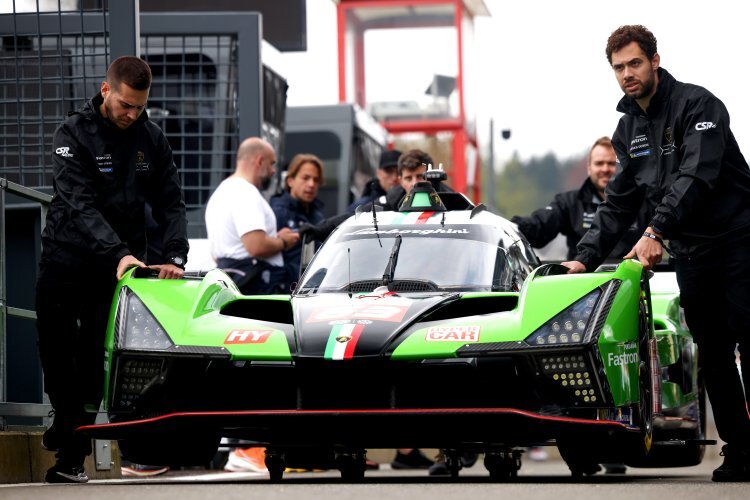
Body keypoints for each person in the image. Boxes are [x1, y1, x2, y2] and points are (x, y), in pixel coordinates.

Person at [562, 25, 750, 482]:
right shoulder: (627, 130)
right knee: (714, 352)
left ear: (655, 61)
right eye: (619, 67)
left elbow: (697, 176)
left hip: (739, 239)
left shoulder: (699, 105)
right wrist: (582, 258)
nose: (628, 73)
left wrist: (656, 230)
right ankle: (742, 452)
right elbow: (619, 202)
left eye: (635, 63)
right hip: (693, 254)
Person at [36, 56, 189, 483]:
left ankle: (70, 453)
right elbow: (77, 203)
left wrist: (175, 257)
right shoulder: (72, 132)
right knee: (55, 350)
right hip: (67, 258)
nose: (131, 114)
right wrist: (117, 251)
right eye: (125, 105)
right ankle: (65, 425)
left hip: (119, 268)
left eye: (140, 107)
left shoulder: (151, 138)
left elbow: (171, 203)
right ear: (107, 91)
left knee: (92, 359)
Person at [512, 136, 645, 261]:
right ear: (589, 168)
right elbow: (540, 228)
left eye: (611, 163)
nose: (605, 169)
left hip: (631, 281)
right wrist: (513, 226)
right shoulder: (569, 203)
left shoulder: (641, 201)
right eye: (599, 163)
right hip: (582, 281)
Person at [205, 137, 300, 295]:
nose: (273, 170)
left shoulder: (221, 191)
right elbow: (256, 246)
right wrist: (284, 242)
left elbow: (228, 249)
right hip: (257, 284)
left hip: (232, 279)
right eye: (272, 163)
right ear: (260, 161)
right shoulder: (245, 193)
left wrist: (274, 238)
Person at [270, 153, 325, 291]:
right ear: (290, 181)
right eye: (305, 178)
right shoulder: (277, 212)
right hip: (281, 293)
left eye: (316, 180)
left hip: (309, 292)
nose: (311, 184)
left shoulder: (317, 217)